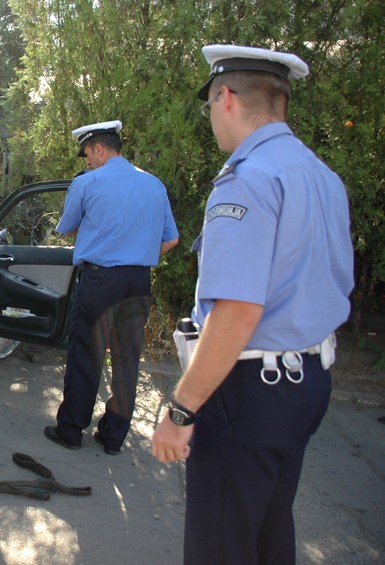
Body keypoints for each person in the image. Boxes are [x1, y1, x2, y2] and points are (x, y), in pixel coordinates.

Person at [151, 45, 354, 564]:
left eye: (210, 105)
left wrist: (181, 410)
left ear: (225, 97)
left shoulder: (247, 180)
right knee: (268, 529)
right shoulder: (321, 176)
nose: (211, 117)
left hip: (249, 392)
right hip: (307, 382)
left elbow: (238, 312)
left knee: (220, 543)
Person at [44, 120, 179, 455]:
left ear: (100, 149)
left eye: (88, 155)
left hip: (100, 281)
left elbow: (67, 228)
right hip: (138, 282)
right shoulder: (154, 185)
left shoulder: (87, 183)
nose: (88, 161)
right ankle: (113, 437)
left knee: (86, 356)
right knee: (127, 360)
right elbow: (171, 239)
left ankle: (71, 430)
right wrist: (138, 254)